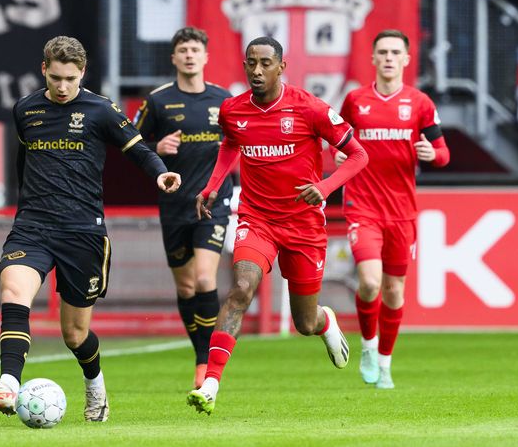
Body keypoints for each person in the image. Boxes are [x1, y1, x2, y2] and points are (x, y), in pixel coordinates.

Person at [0, 36, 181, 422]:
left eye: (71, 79)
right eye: (57, 77)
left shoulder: (101, 110)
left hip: (83, 231)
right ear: (44, 69)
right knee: (13, 292)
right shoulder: (25, 109)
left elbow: (139, 149)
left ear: (83, 73)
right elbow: (23, 164)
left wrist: (160, 175)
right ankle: (8, 383)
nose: (63, 87)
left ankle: (95, 384)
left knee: (75, 334)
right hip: (33, 226)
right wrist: (24, 208)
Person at [186, 36, 369, 415]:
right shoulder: (232, 110)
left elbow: (358, 155)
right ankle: (212, 384)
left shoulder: (310, 108)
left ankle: (325, 323)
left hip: (303, 225)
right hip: (258, 218)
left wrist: (324, 187)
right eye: (250, 62)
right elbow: (231, 144)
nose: (256, 70)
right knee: (240, 288)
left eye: (265, 63)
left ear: (281, 66)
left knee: (304, 321)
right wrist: (213, 185)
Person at [335, 29, 450, 389]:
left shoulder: (420, 103)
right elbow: (338, 141)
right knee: (369, 281)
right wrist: (340, 154)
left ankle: (385, 362)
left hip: (402, 211)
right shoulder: (355, 100)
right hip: (362, 206)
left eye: (394, 52)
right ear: (373, 58)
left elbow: (443, 153)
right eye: (381, 51)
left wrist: (434, 155)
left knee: (394, 292)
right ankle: (368, 346)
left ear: (406, 59)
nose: (387, 57)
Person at [134, 27, 233, 389]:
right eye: (183, 50)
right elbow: (131, 144)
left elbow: (241, 144)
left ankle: (205, 364)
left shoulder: (224, 101)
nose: (190, 55)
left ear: (206, 57)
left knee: (206, 278)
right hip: (173, 205)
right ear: (174, 58)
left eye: (195, 49)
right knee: (187, 287)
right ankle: (200, 352)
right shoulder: (159, 102)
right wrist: (156, 147)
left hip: (213, 202)